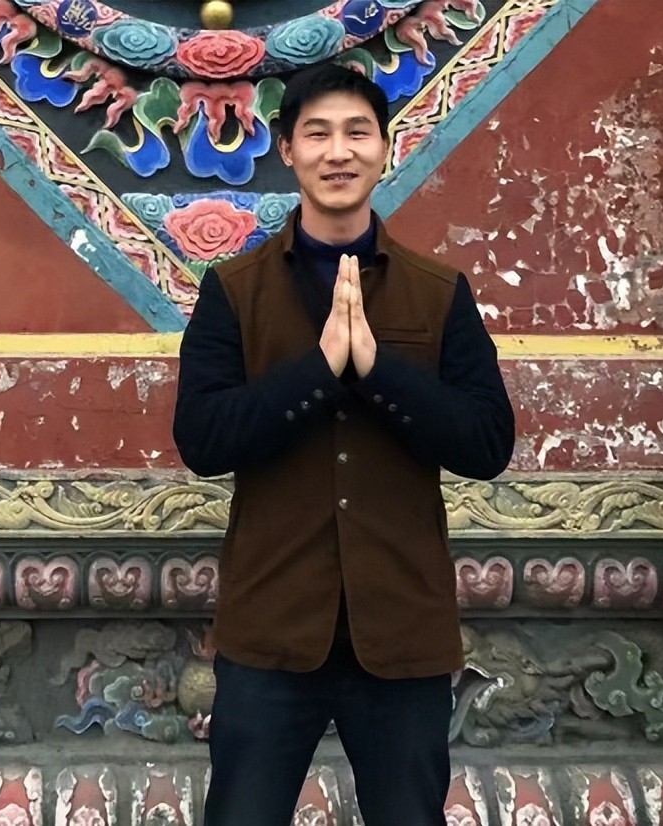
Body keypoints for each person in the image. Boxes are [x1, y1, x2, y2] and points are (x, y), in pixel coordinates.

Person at [173, 63, 514, 826]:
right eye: (317, 134)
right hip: (271, 629)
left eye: (357, 133)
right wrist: (320, 370)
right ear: (287, 150)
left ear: (384, 148)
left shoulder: (438, 292)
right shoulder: (234, 290)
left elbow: (488, 443)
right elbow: (201, 438)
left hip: (402, 629)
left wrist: (377, 369)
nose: (338, 152)